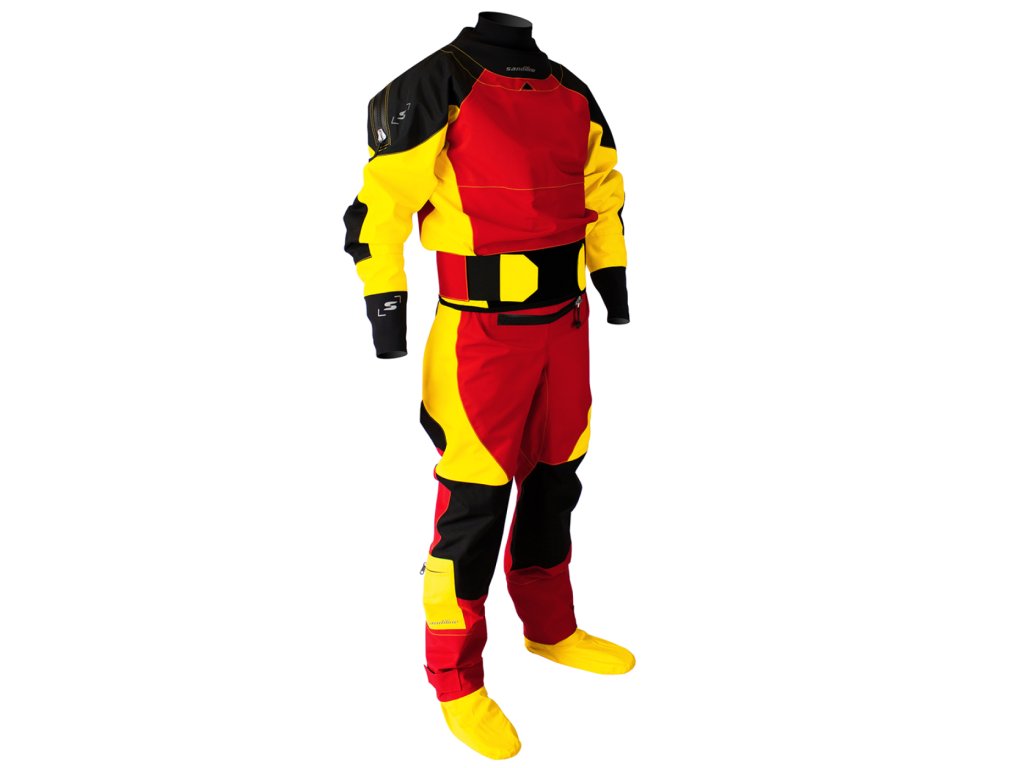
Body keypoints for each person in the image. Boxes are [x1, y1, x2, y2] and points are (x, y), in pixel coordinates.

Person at [343, 11, 635, 760]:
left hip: (565, 325)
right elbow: (380, 208)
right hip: (480, 333)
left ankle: (551, 628)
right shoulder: (434, 85)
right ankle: (454, 678)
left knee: (557, 479)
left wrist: (613, 282)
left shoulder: (571, 91)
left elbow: (601, 191)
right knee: (473, 502)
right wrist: (387, 311)